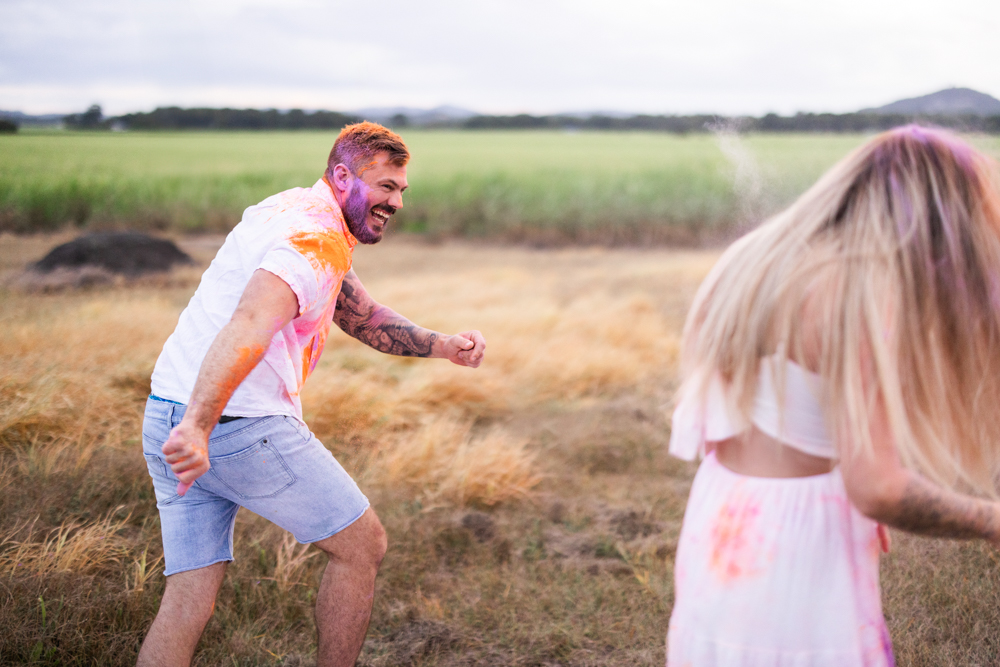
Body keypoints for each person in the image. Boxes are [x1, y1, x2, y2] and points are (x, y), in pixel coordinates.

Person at [137, 122, 486, 667]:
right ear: (342, 175)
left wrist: (444, 346)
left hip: (166, 417)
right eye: (384, 187)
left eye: (401, 190)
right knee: (362, 548)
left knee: (188, 599)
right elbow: (250, 324)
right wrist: (201, 427)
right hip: (234, 426)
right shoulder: (315, 239)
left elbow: (361, 315)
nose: (395, 201)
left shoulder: (288, 211)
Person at [666, 125, 1000, 665]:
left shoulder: (752, 257)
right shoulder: (858, 287)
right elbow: (879, 488)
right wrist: (991, 521)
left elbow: (722, 419)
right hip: (796, 556)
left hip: (722, 522)